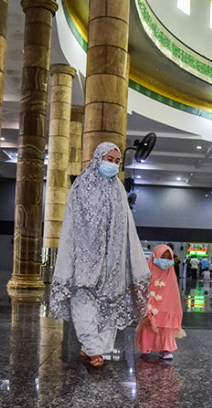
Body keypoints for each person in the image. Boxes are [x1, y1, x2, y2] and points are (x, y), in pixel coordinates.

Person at [49, 142, 151, 368]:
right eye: (109, 159)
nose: (113, 165)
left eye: (117, 161)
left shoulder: (118, 189)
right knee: (83, 303)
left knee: (109, 306)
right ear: (97, 158)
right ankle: (93, 348)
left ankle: (98, 349)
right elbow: (73, 223)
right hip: (84, 258)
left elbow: (126, 226)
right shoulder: (82, 186)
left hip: (111, 261)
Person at [136, 244, 186, 359]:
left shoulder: (170, 274)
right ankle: (146, 345)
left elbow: (173, 293)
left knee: (165, 325)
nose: (165, 261)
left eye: (169, 258)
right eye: (163, 257)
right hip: (151, 304)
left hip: (165, 305)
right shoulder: (147, 273)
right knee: (148, 323)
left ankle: (165, 349)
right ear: (155, 256)